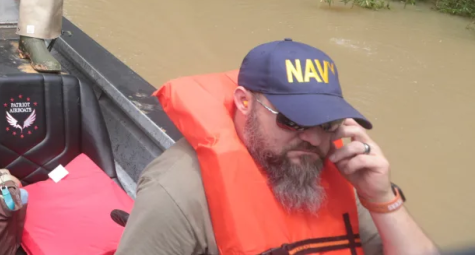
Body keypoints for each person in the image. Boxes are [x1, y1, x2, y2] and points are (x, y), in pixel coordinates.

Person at [115, 39, 439, 255]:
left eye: (327, 123)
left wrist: (380, 198)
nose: (314, 139)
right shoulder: (176, 194)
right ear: (244, 102)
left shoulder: (337, 173)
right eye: (293, 121)